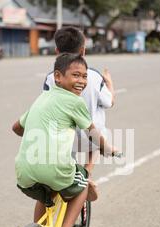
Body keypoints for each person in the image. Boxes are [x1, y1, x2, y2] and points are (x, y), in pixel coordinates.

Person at [12, 53, 118, 227]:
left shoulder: (42, 97)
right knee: (83, 186)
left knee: (46, 195)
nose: (81, 81)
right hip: (55, 169)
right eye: (76, 75)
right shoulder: (74, 102)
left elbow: (16, 128)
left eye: (84, 76)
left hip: (24, 172)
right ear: (58, 77)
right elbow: (93, 134)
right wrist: (107, 149)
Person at [43, 27, 116, 201]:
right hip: (90, 139)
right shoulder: (94, 76)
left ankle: (71, 176)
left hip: (62, 143)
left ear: (56, 52)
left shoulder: (53, 77)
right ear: (83, 51)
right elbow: (109, 102)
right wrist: (110, 83)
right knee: (100, 133)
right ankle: (87, 173)